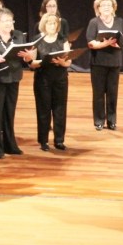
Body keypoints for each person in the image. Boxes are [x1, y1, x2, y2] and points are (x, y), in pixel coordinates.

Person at [0, 7, 35, 158]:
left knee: (9, 113)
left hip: (13, 78)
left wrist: (28, 57)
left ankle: (10, 145)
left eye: (11, 21)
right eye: (5, 21)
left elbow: (25, 59)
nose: (8, 24)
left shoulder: (18, 36)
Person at [86, 0, 123, 131]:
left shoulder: (119, 22)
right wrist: (105, 44)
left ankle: (112, 120)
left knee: (112, 93)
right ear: (98, 8)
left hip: (114, 62)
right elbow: (91, 43)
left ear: (113, 8)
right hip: (98, 62)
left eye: (109, 5)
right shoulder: (94, 22)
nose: (106, 7)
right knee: (98, 93)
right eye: (103, 5)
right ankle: (99, 120)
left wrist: (118, 44)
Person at [29, 13, 72, 151]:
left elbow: (69, 61)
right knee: (43, 110)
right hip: (43, 79)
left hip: (60, 79)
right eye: (49, 23)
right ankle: (43, 141)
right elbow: (32, 63)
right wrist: (41, 62)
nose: (52, 26)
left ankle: (59, 140)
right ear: (44, 25)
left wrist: (62, 62)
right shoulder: (37, 40)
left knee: (60, 109)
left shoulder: (62, 39)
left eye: (54, 24)